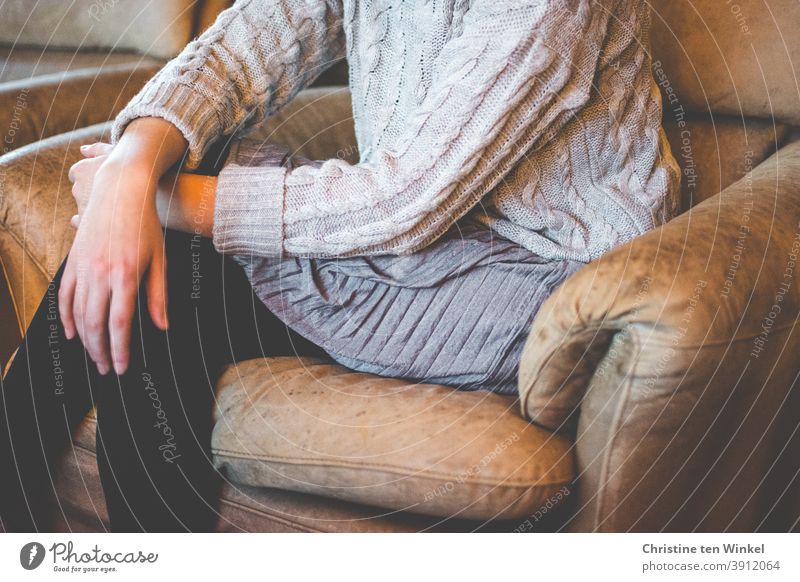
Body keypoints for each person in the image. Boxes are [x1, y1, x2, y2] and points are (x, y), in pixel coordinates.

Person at [0, 0, 679, 532]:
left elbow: (407, 200)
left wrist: (163, 201)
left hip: (540, 277)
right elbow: (236, 53)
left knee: (179, 248)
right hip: (427, 243)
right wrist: (129, 169)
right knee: (165, 274)